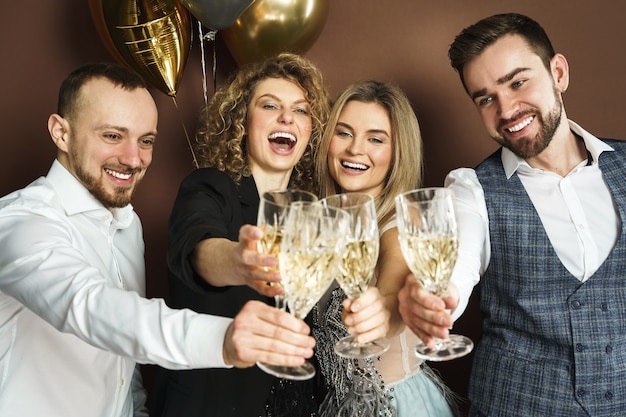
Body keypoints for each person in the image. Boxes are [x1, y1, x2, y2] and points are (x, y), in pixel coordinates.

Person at [0, 62, 317, 417]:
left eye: (146, 141)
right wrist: (223, 341)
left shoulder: (127, 224)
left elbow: (123, 362)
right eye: (112, 136)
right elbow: (90, 306)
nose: (133, 158)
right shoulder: (19, 220)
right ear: (61, 132)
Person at [398, 12, 626, 417]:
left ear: (558, 72)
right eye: (485, 98)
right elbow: (456, 265)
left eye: (518, 82)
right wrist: (432, 300)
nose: (506, 109)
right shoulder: (472, 189)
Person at [149, 53, 332, 417]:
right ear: (242, 122)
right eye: (270, 105)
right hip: (213, 402)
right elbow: (197, 249)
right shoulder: (209, 187)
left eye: (300, 110)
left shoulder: (314, 212)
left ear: (311, 130)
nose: (286, 118)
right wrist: (238, 261)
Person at [314, 80, 457, 417]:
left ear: (397, 153)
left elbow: (396, 296)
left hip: (391, 408)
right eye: (344, 133)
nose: (354, 150)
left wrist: (384, 313)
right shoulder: (323, 223)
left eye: (375, 139)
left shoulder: (398, 229)